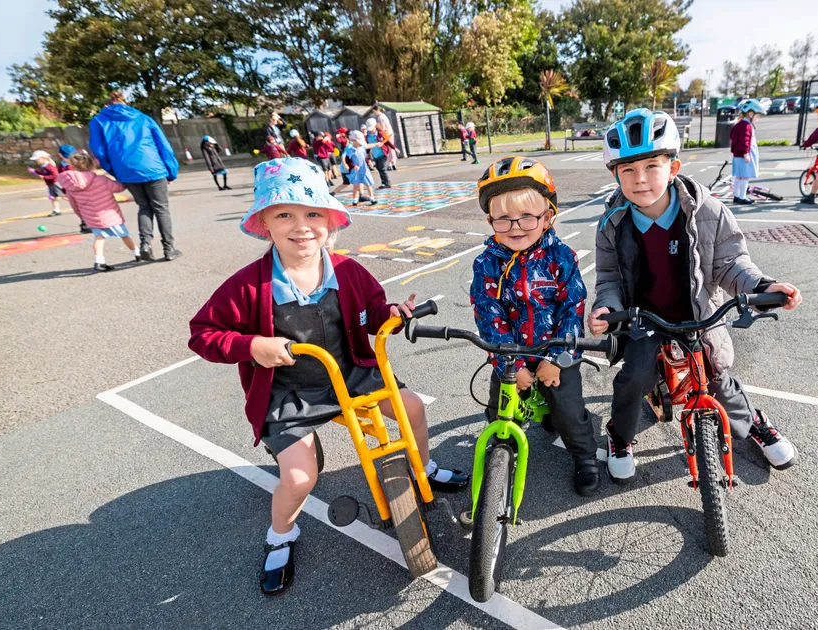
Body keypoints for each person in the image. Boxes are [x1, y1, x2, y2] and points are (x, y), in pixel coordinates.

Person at [187, 158, 468, 596]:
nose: (302, 227)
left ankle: (424, 466)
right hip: (289, 392)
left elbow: (374, 310)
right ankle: (280, 535)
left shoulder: (348, 271)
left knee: (411, 406)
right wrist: (252, 347)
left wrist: (391, 313)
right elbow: (203, 334)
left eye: (313, 214)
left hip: (352, 373)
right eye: (285, 215)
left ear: (330, 220)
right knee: (299, 478)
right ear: (265, 223)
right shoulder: (247, 286)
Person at [588, 110, 801, 488]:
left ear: (673, 167)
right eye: (627, 170)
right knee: (634, 377)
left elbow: (732, 264)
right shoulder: (612, 224)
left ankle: (753, 423)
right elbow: (608, 278)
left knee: (715, 376)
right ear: (615, 175)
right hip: (643, 320)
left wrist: (763, 287)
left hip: (699, 314)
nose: (640, 179)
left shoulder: (708, 211)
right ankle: (619, 436)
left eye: (652, 165)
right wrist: (605, 307)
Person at [471, 156, 599, 495]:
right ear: (490, 220)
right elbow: (487, 314)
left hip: (556, 349)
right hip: (510, 352)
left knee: (568, 409)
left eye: (527, 217)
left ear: (548, 217)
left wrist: (556, 358)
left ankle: (584, 456)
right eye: (503, 219)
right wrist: (507, 363)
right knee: (500, 405)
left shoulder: (562, 257)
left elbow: (572, 308)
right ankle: (501, 448)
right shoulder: (486, 263)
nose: (515, 227)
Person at [88, 91, 181, 262]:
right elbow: (163, 145)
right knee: (161, 208)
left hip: (126, 170)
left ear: (106, 105)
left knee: (144, 207)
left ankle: (145, 244)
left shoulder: (99, 121)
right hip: (152, 166)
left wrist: (114, 170)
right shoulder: (142, 117)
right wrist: (171, 170)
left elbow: (99, 150)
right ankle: (169, 248)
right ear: (124, 103)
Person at [57, 151, 141, 272]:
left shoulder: (70, 186)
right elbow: (119, 188)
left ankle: (99, 261)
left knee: (99, 238)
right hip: (109, 214)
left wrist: (83, 217)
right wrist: (116, 176)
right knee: (124, 235)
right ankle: (137, 253)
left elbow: (74, 204)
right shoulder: (101, 179)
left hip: (91, 217)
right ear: (91, 164)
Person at [729, 99, 764, 205]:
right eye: (757, 116)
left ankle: (737, 195)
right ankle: (742, 197)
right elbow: (745, 140)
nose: (758, 119)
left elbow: (732, 137)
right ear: (751, 113)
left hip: (737, 155)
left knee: (739, 177)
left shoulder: (738, 125)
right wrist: (745, 153)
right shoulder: (747, 126)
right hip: (744, 155)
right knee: (745, 177)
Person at [332, 129, 377, 206]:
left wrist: (368, 161)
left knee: (367, 183)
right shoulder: (349, 148)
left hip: (363, 169)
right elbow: (345, 157)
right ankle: (354, 198)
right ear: (353, 140)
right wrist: (348, 164)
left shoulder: (361, 147)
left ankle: (369, 197)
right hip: (352, 170)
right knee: (353, 184)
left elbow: (365, 155)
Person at [27, 150, 63, 216]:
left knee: (64, 196)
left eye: (37, 159)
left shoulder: (49, 166)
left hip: (55, 184)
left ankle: (79, 205)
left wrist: (45, 177)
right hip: (50, 184)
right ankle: (56, 210)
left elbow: (55, 175)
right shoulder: (43, 166)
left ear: (43, 158)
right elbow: (42, 174)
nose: (36, 161)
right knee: (52, 197)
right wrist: (34, 171)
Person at [372, 104, 400, 169]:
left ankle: (391, 162)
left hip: (386, 134)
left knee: (389, 148)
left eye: (374, 112)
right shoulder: (382, 116)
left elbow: (383, 127)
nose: (373, 113)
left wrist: (378, 129)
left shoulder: (380, 117)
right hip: (389, 133)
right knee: (390, 148)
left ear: (377, 110)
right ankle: (392, 163)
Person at [367, 120, 392, 189]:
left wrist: (394, 148)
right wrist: (367, 155)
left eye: (372, 129)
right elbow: (368, 146)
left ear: (375, 127)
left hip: (382, 154)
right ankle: (383, 183)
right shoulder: (368, 136)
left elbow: (388, 142)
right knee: (379, 169)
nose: (370, 130)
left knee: (383, 169)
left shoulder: (379, 133)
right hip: (375, 155)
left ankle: (387, 183)